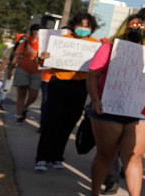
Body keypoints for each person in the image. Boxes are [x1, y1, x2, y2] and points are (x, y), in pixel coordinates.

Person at [86, 13, 145, 196]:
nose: (137, 29)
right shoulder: (108, 48)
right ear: (125, 27)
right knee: (105, 154)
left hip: (140, 112)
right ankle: (95, 192)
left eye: (142, 27)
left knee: (134, 156)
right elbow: (93, 75)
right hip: (108, 108)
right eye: (134, 25)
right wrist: (95, 100)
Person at [34, 12, 100, 172]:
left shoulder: (96, 45)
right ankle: (42, 158)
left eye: (87, 26)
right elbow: (41, 63)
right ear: (73, 26)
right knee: (52, 121)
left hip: (80, 86)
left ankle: (57, 157)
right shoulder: (61, 41)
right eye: (81, 25)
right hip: (59, 84)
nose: (83, 28)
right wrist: (42, 57)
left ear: (91, 28)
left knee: (69, 123)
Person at [13, 24, 41, 125]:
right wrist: (9, 69)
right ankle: (19, 115)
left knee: (33, 96)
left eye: (39, 31)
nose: (38, 32)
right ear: (32, 31)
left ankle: (25, 107)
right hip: (23, 70)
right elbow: (16, 56)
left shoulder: (44, 44)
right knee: (21, 94)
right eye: (36, 30)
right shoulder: (25, 43)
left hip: (37, 73)